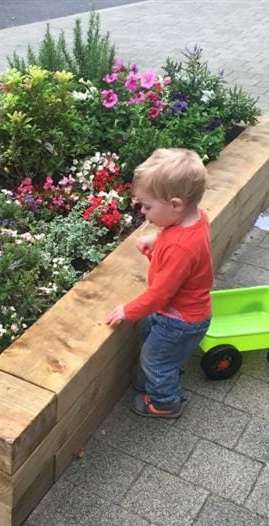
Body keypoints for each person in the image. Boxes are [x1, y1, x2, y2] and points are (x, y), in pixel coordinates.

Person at [105, 148, 212, 418]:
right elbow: (178, 235)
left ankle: (165, 403)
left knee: (154, 358)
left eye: (148, 206)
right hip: (182, 315)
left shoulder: (180, 248)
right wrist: (157, 239)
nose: (142, 211)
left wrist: (127, 310)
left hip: (179, 320)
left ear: (176, 205)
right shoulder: (196, 218)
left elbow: (159, 295)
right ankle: (163, 370)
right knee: (154, 339)